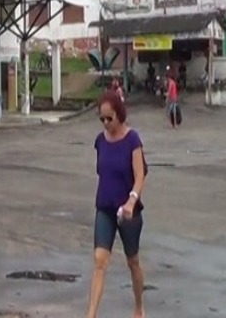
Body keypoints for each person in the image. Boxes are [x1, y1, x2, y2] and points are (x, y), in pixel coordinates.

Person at [86, 90, 147, 318]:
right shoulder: (100, 141)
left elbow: (140, 175)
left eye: (109, 118)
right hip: (105, 207)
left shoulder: (133, 140)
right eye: (101, 119)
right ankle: (91, 314)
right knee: (100, 261)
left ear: (119, 115)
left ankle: (139, 306)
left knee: (133, 262)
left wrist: (131, 201)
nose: (105, 123)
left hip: (128, 211)